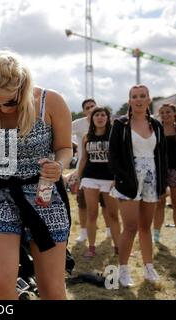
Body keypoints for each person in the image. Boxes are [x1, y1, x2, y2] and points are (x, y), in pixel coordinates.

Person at [0, 51, 72, 300]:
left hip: (44, 195)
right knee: (2, 287)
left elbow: (65, 148)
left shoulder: (51, 102)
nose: (2, 108)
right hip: (0, 195)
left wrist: (59, 165)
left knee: (52, 290)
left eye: (10, 102)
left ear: (23, 88)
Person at [108, 84, 167, 287]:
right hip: (129, 181)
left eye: (143, 96)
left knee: (145, 227)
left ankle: (149, 267)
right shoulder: (120, 124)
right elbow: (112, 156)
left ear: (149, 99)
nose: (139, 99)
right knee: (131, 227)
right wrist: (122, 176)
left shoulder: (157, 126)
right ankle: (123, 270)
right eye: (135, 96)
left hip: (152, 179)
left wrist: (163, 183)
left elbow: (162, 156)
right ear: (130, 100)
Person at [77, 107, 120, 257]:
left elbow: (119, 160)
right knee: (92, 213)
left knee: (113, 214)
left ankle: (118, 247)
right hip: (90, 177)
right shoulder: (86, 137)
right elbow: (83, 159)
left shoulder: (114, 135)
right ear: (92, 118)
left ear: (108, 118)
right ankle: (92, 247)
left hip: (110, 179)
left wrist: (117, 178)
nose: (100, 117)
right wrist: (78, 177)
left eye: (103, 115)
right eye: (97, 115)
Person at [70, 99, 111, 243]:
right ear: (84, 111)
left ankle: (109, 230)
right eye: (87, 107)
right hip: (85, 170)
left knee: (106, 205)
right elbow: (64, 132)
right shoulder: (79, 124)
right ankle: (83, 231)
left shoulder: (105, 123)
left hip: (106, 173)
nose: (90, 109)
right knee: (83, 205)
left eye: (93, 106)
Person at [153, 103, 176, 245]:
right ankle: (156, 235)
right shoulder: (155, 129)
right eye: (162, 112)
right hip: (160, 171)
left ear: (174, 113)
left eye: (168, 112)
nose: (165, 115)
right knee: (160, 204)